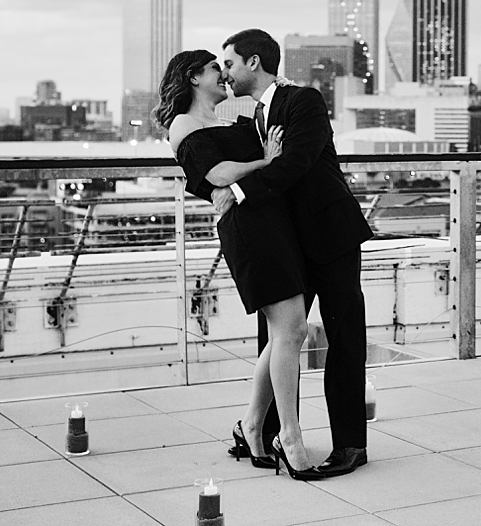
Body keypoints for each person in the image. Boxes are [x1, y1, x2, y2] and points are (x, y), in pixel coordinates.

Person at [155, 49, 329, 481]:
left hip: (273, 223)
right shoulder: (183, 124)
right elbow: (217, 175)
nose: (223, 73)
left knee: (286, 331)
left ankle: (253, 425)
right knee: (292, 328)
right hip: (249, 230)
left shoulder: (231, 122)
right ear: (194, 78)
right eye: (216, 67)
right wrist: (265, 161)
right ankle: (288, 436)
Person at [212, 28, 374, 477]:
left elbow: (295, 163)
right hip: (288, 243)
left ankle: (350, 447)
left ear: (254, 63)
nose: (224, 73)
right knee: (280, 334)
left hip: (331, 234)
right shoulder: (252, 120)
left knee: (343, 341)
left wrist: (237, 192)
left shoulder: (302, 101)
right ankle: (268, 432)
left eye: (228, 63)